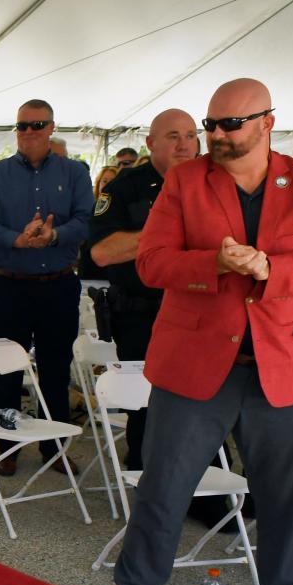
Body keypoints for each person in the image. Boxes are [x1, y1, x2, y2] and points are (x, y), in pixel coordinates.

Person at [102, 79, 293, 585]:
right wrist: (213, 263)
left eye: (230, 125)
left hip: (283, 366)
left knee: (283, 497)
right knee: (164, 485)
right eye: (210, 124)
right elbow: (151, 263)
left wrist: (271, 269)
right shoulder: (184, 180)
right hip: (197, 363)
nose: (216, 136)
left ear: (268, 122)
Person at [0, 98, 93, 477]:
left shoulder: (74, 173)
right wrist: (17, 240)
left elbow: (86, 221)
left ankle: (54, 448)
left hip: (57, 285)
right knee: (8, 370)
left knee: (56, 370)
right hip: (9, 286)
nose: (28, 132)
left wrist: (54, 235)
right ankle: (7, 448)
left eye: (37, 125)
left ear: (52, 128)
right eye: (22, 125)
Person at [88, 110, 199, 471]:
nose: (184, 144)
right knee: (146, 404)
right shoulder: (126, 187)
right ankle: (144, 476)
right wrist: (166, 232)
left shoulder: (213, 182)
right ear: (150, 144)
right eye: (173, 136)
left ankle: (204, 487)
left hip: (199, 314)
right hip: (142, 314)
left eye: (190, 135)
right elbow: (102, 252)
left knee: (200, 402)